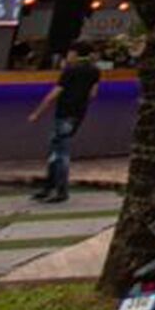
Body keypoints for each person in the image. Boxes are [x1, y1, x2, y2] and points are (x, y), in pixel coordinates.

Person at [26, 44, 102, 204]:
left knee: (60, 153)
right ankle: (50, 187)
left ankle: (60, 190)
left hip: (64, 113)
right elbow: (93, 94)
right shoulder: (95, 71)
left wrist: (37, 112)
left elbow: (54, 93)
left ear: (75, 53)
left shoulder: (70, 71)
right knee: (57, 151)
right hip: (78, 114)